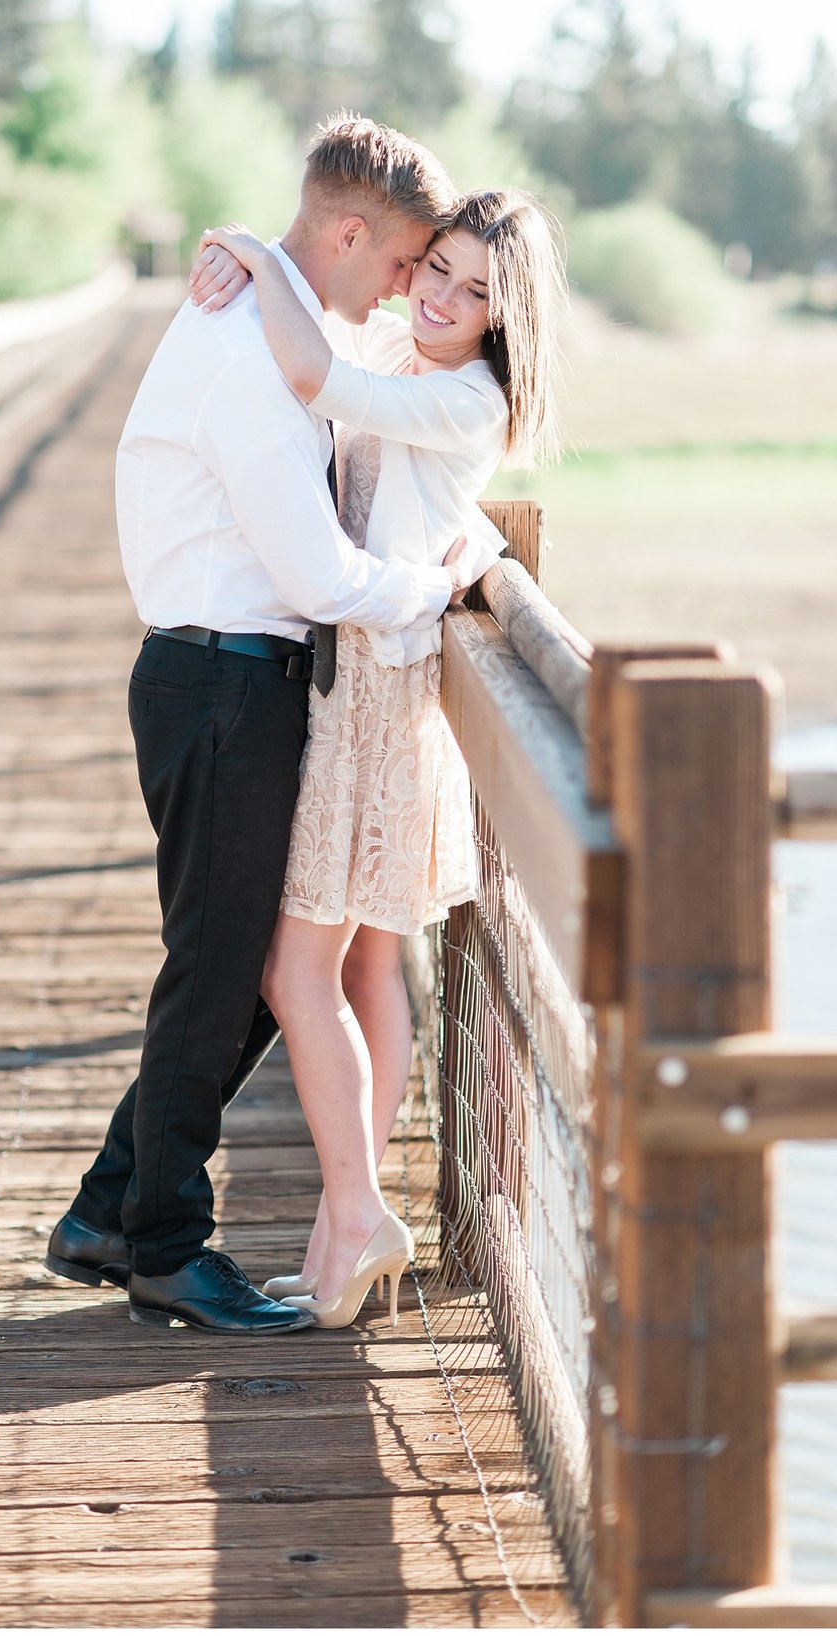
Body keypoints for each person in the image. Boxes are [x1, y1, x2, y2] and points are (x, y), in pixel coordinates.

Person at [43, 114, 478, 1336]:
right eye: (399, 260)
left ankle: (110, 1209)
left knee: (231, 979)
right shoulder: (246, 347)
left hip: (236, 684)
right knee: (216, 974)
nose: (405, 285)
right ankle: (167, 1249)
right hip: (225, 682)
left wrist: (244, 243)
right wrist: (432, 595)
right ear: (348, 232)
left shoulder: (274, 311)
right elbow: (321, 573)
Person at [186, 188, 565, 1327]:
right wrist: (478, 544)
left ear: (512, 315)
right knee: (361, 965)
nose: (443, 297)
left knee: (292, 968)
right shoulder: (423, 357)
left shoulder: (465, 392)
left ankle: (356, 1214)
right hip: (366, 676)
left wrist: (255, 250)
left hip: (377, 699)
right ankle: (341, 1227)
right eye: (435, 268)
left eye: (475, 289)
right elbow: (379, 413)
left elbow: (317, 381)